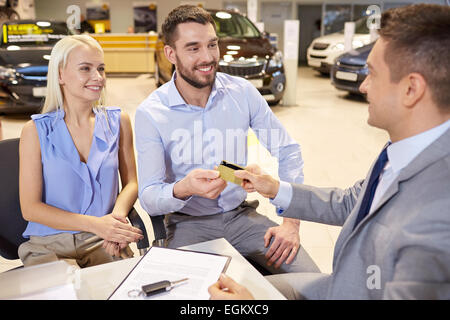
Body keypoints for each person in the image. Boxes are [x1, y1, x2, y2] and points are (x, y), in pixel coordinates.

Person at [209, 4, 450, 300]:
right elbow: (352, 202)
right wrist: (275, 189)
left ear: (411, 89)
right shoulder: (403, 149)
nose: (363, 86)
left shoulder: (435, 219)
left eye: (372, 74)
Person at [135, 5, 318, 274]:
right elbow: (149, 196)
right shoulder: (151, 113)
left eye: (212, 45)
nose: (208, 57)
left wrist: (291, 223)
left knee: (312, 282)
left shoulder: (241, 92)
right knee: (192, 297)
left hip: (241, 216)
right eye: (193, 48)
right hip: (187, 225)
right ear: (170, 54)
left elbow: (288, 150)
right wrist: (184, 188)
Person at [18, 34, 143, 268]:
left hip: (103, 240)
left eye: (101, 68)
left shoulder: (119, 121)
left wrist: (115, 222)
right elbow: (30, 208)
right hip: (49, 243)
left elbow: (131, 184)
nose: (98, 77)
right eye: (85, 68)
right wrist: (96, 224)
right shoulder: (35, 131)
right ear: (60, 75)